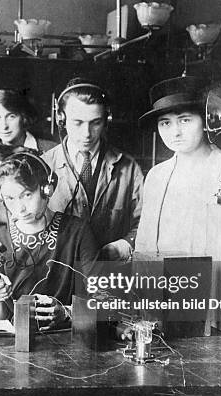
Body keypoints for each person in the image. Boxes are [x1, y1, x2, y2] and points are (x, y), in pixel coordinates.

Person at [134, 76, 221, 255]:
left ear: (205, 122)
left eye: (185, 120)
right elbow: (143, 244)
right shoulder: (156, 176)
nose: (175, 132)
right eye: (165, 123)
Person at [0, 151, 100, 330]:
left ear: (48, 190)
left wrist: (66, 313)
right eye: (10, 198)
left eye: (27, 195)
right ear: (1, 198)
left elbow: (101, 301)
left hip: (67, 337)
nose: (20, 208)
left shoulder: (78, 232)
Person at [43, 78, 143, 262]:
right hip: (57, 274)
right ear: (61, 119)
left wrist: (123, 246)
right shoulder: (43, 167)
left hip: (109, 272)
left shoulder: (129, 168)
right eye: (77, 123)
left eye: (95, 122)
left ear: (106, 120)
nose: (86, 133)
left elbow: (144, 223)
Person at [0, 89, 57, 232]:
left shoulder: (51, 151)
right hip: (6, 244)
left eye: (11, 116)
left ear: (23, 117)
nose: (3, 126)